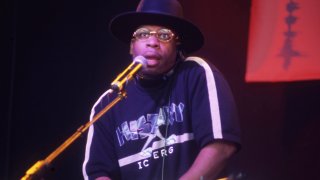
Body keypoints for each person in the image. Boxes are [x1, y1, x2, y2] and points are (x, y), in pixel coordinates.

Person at [82, 0, 241, 179]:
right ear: (131, 46)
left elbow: (221, 146)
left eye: (164, 35)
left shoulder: (196, 74)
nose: (153, 42)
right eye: (142, 34)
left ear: (177, 46)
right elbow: (98, 173)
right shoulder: (108, 103)